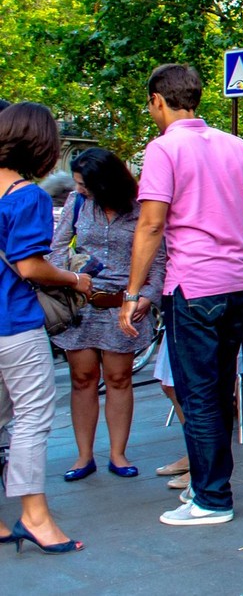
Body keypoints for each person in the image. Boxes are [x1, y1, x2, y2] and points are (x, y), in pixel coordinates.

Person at [123, 64, 243, 527]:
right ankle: (208, 487)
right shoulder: (234, 145)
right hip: (238, 284)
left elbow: (152, 223)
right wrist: (228, 212)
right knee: (218, 390)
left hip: (194, 285)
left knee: (198, 396)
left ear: (158, 100)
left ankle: (212, 498)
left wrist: (133, 293)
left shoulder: (163, 148)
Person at [0, 102, 92, 553]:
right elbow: (30, 267)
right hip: (14, 325)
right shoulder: (27, 196)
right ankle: (34, 517)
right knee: (32, 418)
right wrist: (76, 278)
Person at [50, 148, 165, 483]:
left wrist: (147, 296)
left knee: (119, 379)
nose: (80, 189)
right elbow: (56, 247)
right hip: (82, 306)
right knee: (82, 379)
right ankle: (84, 455)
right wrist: (67, 277)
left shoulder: (143, 207)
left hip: (122, 306)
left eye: (85, 184)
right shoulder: (77, 203)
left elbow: (158, 258)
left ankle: (118, 453)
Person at [154, 212, 243, 492]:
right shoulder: (228, 187)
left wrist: (134, 292)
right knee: (205, 387)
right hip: (229, 285)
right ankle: (205, 467)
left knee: (196, 390)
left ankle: (204, 473)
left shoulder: (188, 193)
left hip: (191, 288)